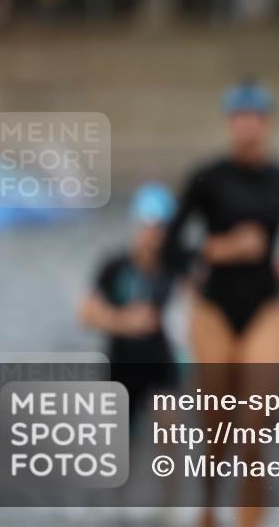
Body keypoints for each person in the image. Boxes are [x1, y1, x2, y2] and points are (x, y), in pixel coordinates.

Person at [159, 79, 279, 527]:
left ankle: (252, 519)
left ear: (267, 124)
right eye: (240, 119)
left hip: (266, 307)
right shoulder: (207, 178)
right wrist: (219, 249)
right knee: (216, 424)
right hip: (213, 308)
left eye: (256, 119)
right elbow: (170, 248)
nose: (248, 128)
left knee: (254, 422)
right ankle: (208, 509)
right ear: (230, 124)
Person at [78, 182, 180, 426]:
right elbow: (86, 313)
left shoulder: (172, 266)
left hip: (159, 360)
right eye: (149, 227)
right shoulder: (115, 266)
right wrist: (124, 321)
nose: (154, 235)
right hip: (121, 361)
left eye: (160, 229)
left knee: (169, 433)